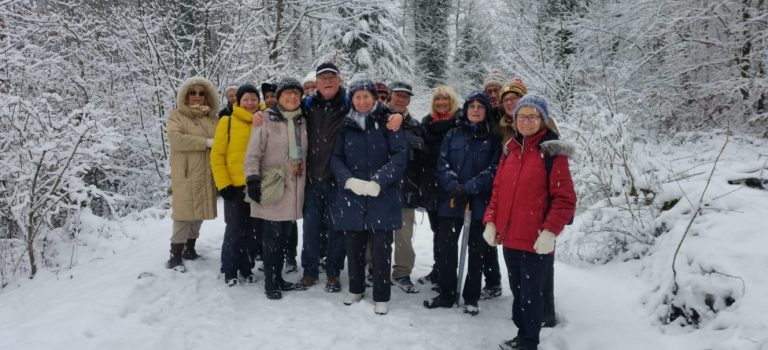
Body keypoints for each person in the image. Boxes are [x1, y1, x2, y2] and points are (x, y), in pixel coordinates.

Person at [252, 62, 403, 293]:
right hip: (312, 178)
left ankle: (333, 273)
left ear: (339, 80)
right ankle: (310, 271)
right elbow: (283, 109)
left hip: (339, 180)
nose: (328, 81)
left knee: (338, 230)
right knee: (310, 229)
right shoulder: (308, 105)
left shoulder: (348, 103)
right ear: (317, 82)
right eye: (323, 78)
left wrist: (397, 115)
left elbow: (376, 110)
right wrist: (261, 113)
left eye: (332, 77)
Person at [484, 95, 576, 350]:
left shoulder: (552, 153)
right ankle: (522, 334)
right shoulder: (509, 151)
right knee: (518, 291)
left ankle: (529, 342)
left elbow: (564, 199)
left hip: (536, 241)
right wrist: (491, 221)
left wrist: (549, 232)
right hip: (510, 239)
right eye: (521, 116)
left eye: (532, 116)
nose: (526, 121)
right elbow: (498, 192)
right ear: (514, 121)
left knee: (531, 295)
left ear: (542, 120)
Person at [331, 79, 407, 315]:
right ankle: (356, 288)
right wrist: (348, 180)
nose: (362, 101)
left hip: (381, 196)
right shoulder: (345, 125)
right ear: (351, 100)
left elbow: (399, 156)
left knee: (381, 249)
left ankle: (382, 296)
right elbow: (336, 158)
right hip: (352, 195)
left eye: (366, 96)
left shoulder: (388, 122)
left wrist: (379, 181)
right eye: (357, 97)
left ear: (375, 98)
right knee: (353, 245)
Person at [424, 92, 500, 316]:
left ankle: (471, 297)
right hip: (452, 201)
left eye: (480, 106)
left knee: (476, 253)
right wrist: (454, 185)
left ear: (486, 111)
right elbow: (442, 163)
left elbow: (494, 169)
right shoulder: (453, 135)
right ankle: (447, 294)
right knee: (446, 250)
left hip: (477, 204)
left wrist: (471, 187)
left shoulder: (493, 139)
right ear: (465, 110)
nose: (475, 110)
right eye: (472, 106)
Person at [243, 78, 309, 300]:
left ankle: (279, 277)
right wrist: (252, 179)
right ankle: (271, 282)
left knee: (284, 238)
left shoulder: (301, 120)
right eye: (287, 93)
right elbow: (253, 152)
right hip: (273, 187)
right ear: (278, 97)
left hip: (294, 190)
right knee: (272, 238)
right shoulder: (266, 119)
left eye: (296, 94)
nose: (292, 97)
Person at [165, 76, 220, 272]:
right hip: (187, 172)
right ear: (185, 95)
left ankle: (190, 248)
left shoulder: (213, 119)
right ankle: (175, 254)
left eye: (201, 93)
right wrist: (205, 143)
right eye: (192, 92)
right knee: (183, 214)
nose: (197, 96)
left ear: (207, 96)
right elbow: (176, 139)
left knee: (199, 212)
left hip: (207, 172)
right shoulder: (176, 116)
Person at [210, 84, 263, 286]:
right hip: (235, 187)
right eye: (246, 99)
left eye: (253, 99)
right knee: (235, 229)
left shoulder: (262, 121)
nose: (250, 103)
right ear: (238, 102)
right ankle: (230, 269)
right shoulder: (228, 121)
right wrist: (223, 184)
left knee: (253, 230)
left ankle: (246, 267)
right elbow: (217, 155)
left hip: (256, 186)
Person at [417, 85, 462, 287]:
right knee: (438, 232)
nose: (441, 103)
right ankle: (438, 269)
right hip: (431, 186)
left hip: (451, 187)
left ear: (452, 101)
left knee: (448, 235)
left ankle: (446, 275)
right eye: (437, 99)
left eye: (445, 99)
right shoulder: (426, 125)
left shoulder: (460, 125)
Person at [386, 81, 424, 294]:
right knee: (378, 233)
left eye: (405, 96)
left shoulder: (416, 125)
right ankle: (374, 269)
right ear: (390, 96)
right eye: (397, 95)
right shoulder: (378, 118)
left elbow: (423, 156)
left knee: (403, 235)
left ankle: (401, 273)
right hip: (381, 188)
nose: (401, 99)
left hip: (406, 188)